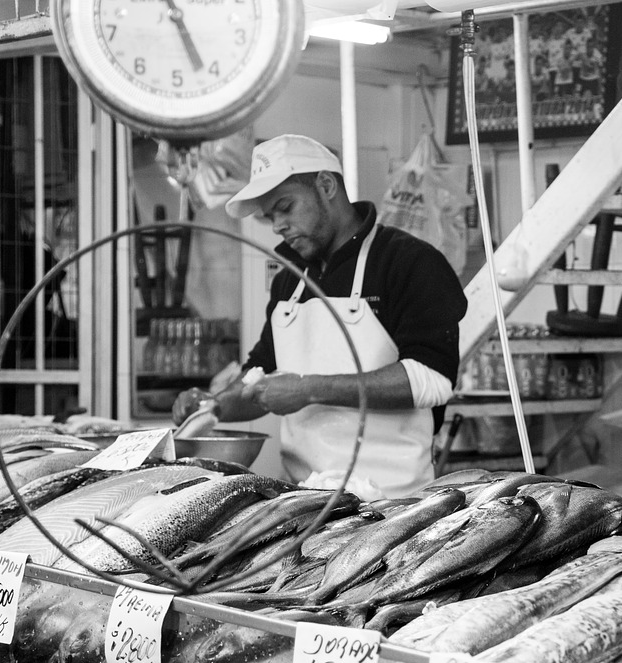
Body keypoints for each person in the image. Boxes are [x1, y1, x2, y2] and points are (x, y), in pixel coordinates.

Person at [172, 134, 467, 498]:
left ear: (326, 185)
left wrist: (310, 390)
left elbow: (432, 379)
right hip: (304, 499)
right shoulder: (288, 282)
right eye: (270, 216)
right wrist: (211, 406)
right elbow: (258, 377)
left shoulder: (408, 262)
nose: (278, 225)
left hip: (394, 503)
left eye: (285, 207)